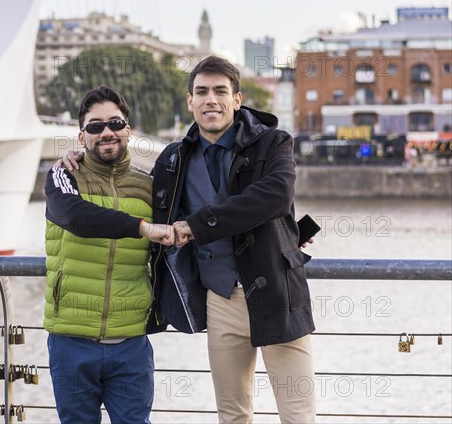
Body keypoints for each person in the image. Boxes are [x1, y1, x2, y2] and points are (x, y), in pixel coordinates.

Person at [151, 56, 317, 423]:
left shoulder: (273, 142)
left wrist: (196, 225)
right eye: (202, 92)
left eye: (220, 91)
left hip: (277, 292)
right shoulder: (172, 159)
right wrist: (77, 159)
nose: (211, 99)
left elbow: (274, 196)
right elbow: (139, 199)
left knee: (297, 416)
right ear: (189, 101)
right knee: (232, 415)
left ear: (237, 99)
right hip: (220, 299)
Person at [43, 86, 174, 424]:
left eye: (114, 123)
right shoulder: (63, 174)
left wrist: (287, 235)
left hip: (130, 341)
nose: (106, 132)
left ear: (128, 129)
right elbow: (75, 218)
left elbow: (203, 212)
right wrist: (142, 227)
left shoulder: (149, 185)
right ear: (81, 135)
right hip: (72, 337)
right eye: (95, 126)